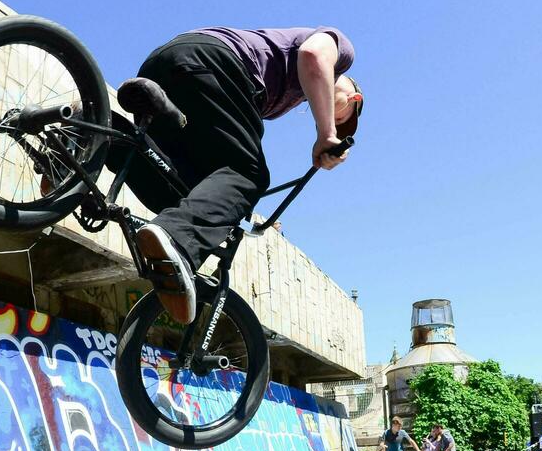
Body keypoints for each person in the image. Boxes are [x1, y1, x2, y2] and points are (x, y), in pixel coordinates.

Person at [118, 27, 361, 324]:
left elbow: (221, 159)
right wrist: (327, 133)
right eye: (341, 118)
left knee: (185, 189)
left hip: (167, 66)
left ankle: (100, 139)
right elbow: (313, 56)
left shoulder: (280, 101)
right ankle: (177, 239)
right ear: (353, 98)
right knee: (250, 174)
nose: (333, 120)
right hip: (212, 61)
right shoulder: (342, 51)